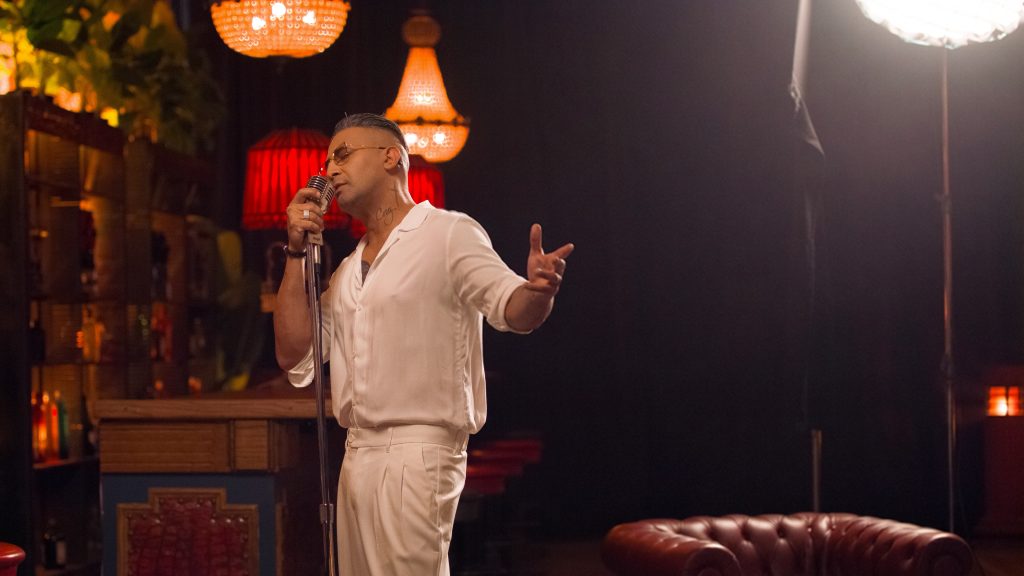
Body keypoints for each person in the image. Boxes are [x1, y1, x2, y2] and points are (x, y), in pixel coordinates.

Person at [273, 113, 574, 576]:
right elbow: (295, 355)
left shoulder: (447, 233)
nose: (330, 169)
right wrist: (296, 252)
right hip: (356, 452)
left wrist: (538, 291)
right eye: (328, 160)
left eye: (343, 154)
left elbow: (512, 308)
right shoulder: (349, 269)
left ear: (391, 157)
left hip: (418, 451)